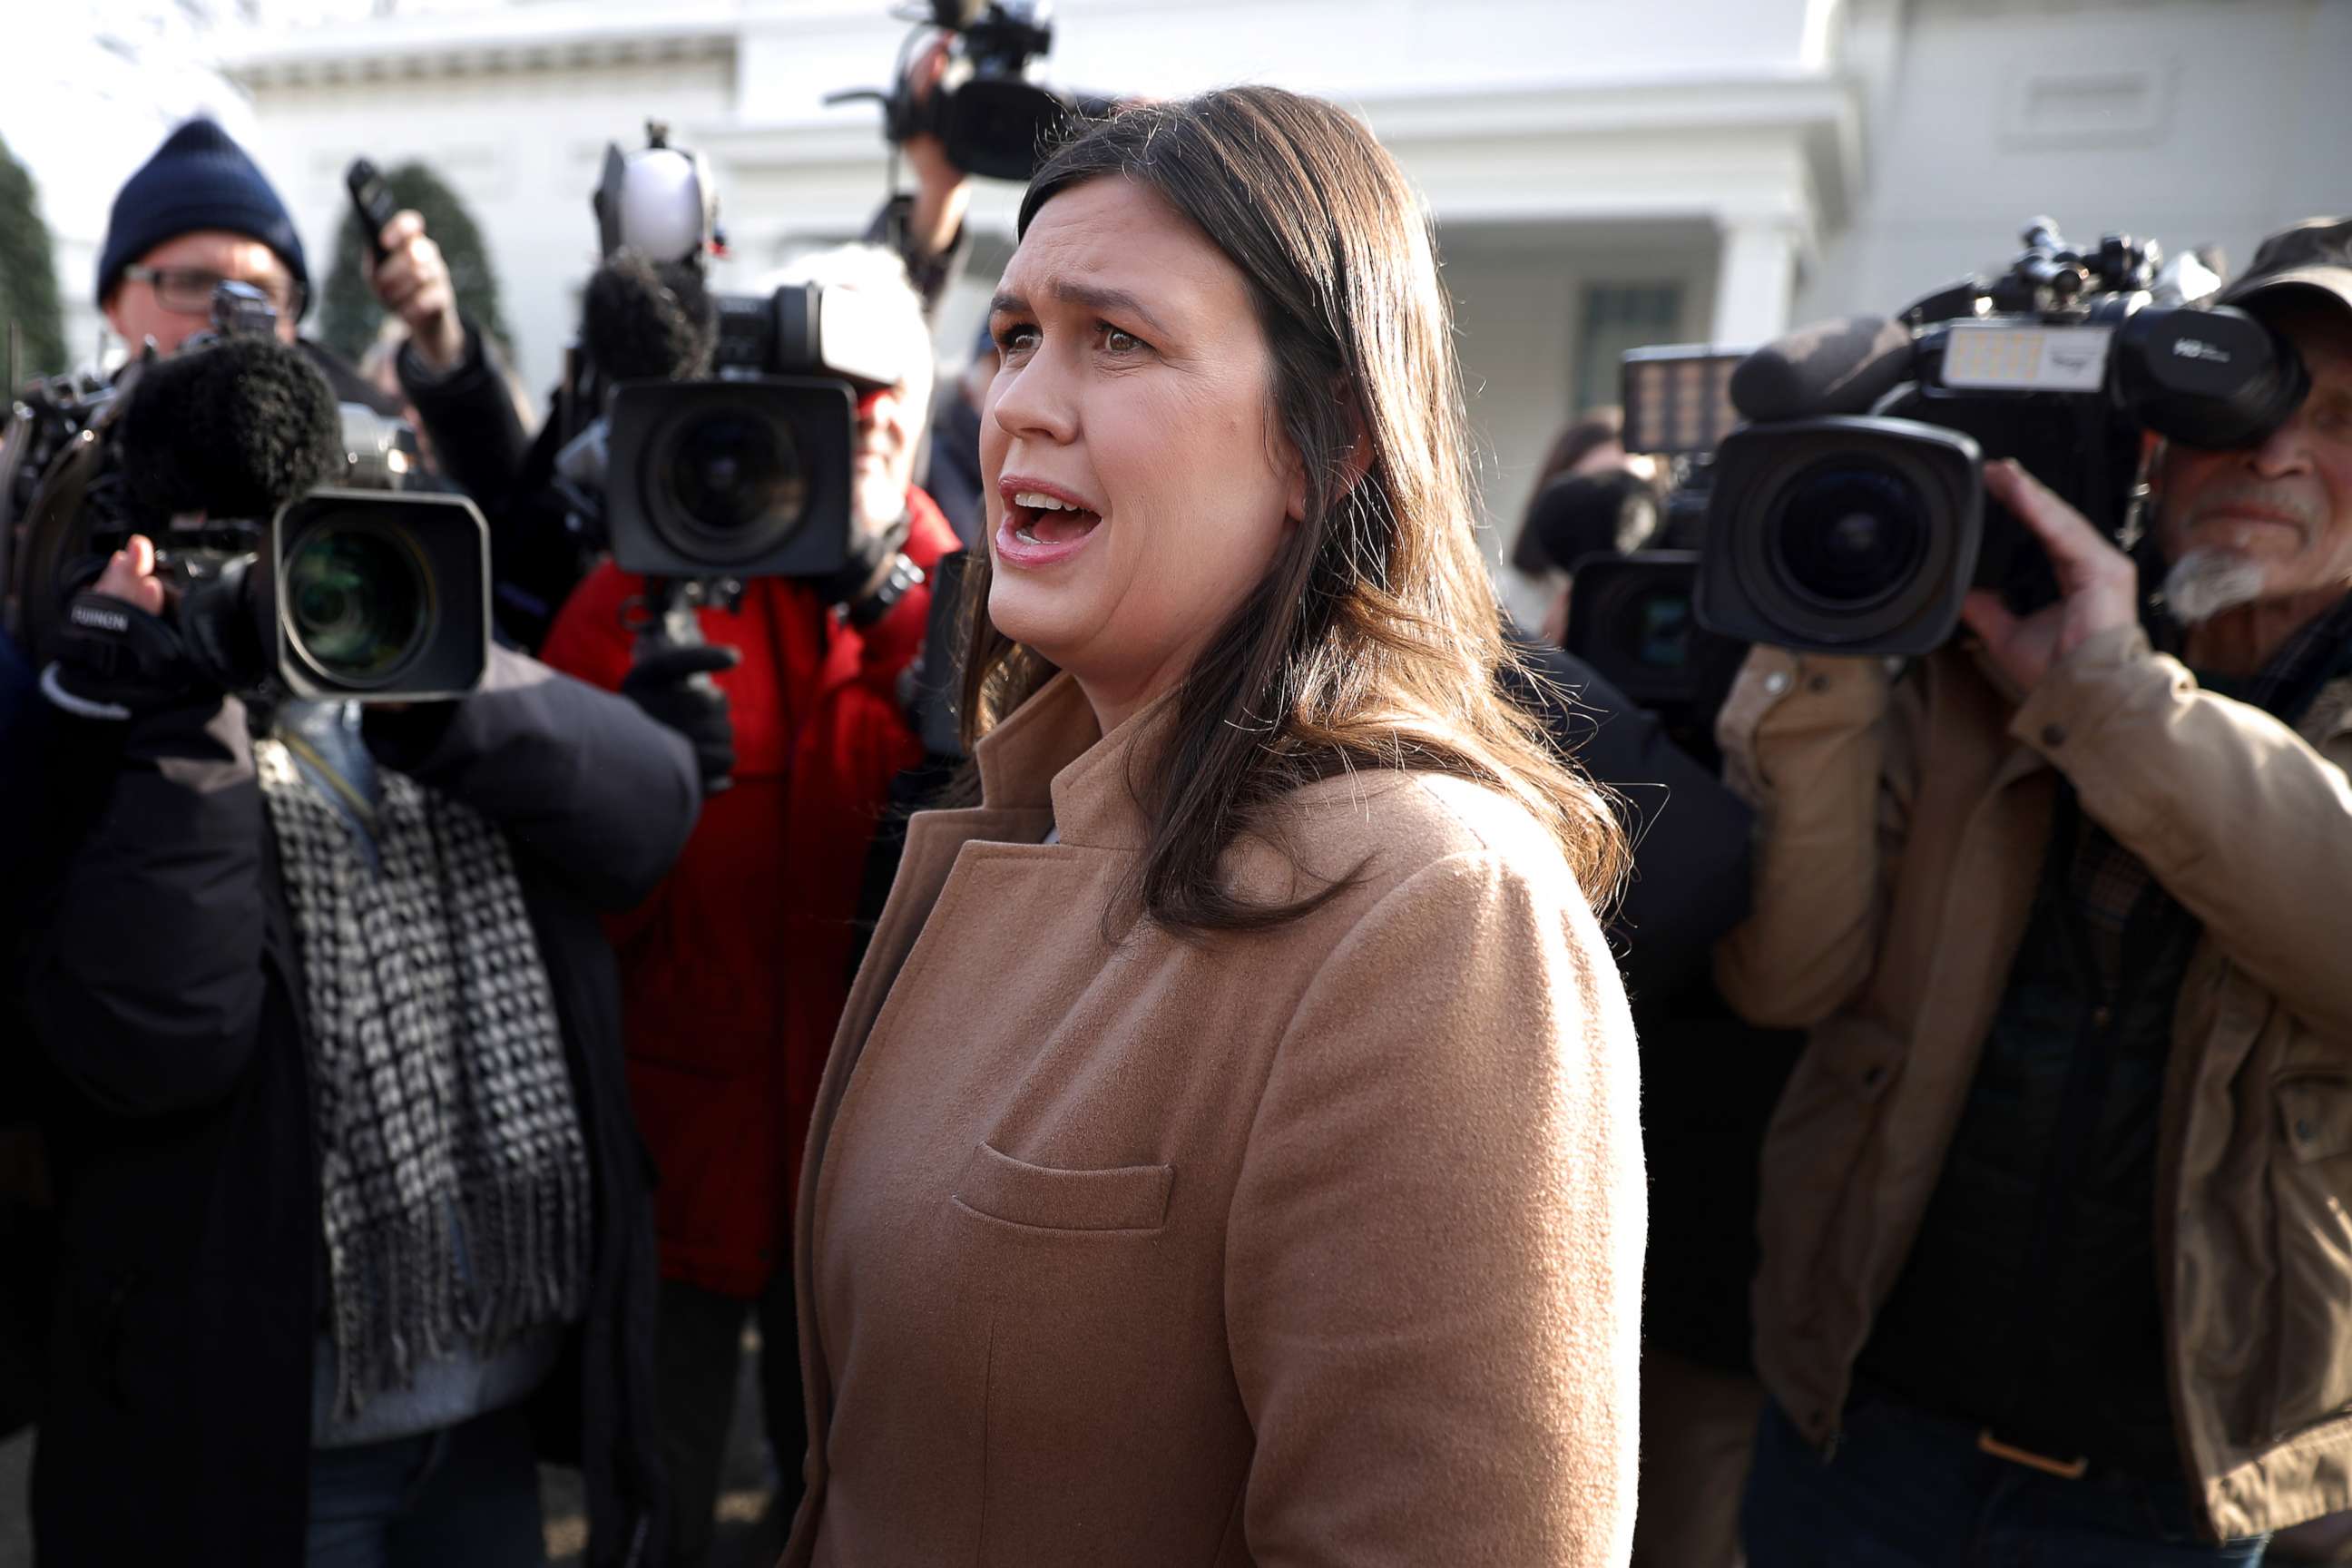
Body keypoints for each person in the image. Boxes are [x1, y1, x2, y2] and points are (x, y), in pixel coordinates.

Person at [782, 86, 1644, 1566]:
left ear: (1332, 442)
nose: (1022, 405)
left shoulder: (1435, 910)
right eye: (1010, 338)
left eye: (1116, 339)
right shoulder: (1018, 818)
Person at [1718, 215, 2352, 1563]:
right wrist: (1833, 631)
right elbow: (1787, 977)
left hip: (2164, 1498)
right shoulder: (1973, 650)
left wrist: (2107, 694)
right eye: (2253, 397)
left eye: (2348, 422)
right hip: (1860, 1429)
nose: (2284, 449)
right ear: (2158, 429)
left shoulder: (2089, 666)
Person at [19, 454, 699, 1565]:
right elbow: (164, 1036)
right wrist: (178, 713)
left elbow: (651, 810)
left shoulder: (424, 696)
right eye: (237, 547)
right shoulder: (121, 741)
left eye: (317, 542)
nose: (291, 583)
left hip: (485, 1414)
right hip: (274, 1439)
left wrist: (431, 669)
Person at [538, 240, 960, 1568]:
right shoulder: (643, 590)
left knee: (859, 1511)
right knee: (651, 1506)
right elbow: (548, 899)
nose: (867, 424)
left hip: (893, 1178)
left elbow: (1023, 798)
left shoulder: (970, 602)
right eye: (831, 397)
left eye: (886, 393)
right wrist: (624, 767)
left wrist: (890, 606)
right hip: (678, 1161)